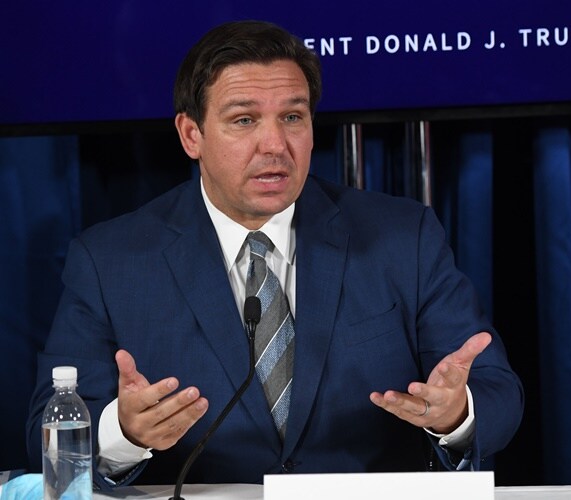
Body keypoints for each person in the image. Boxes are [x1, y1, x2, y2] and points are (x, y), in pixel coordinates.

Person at [27, 20, 523, 490]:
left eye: (292, 117)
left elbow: (496, 392)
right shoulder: (111, 259)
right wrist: (124, 434)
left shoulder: (402, 237)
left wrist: (456, 415)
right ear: (191, 134)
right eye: (244, 120)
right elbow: (45, 433)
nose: (275, 144)